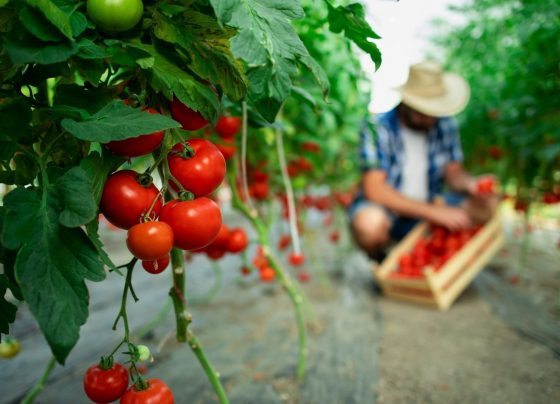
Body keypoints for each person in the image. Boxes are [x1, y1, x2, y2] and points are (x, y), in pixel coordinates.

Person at [349, 61, 498, 260]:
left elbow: (454, 174)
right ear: (407, 102)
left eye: (434, 112)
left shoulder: (445, 125)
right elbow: (374, 190)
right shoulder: (377, 128)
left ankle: (437, 255)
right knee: (369, 224)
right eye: (423, 112)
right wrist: (434, 213)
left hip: (431, 205)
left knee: (489, 205)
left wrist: (471, 184)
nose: (430, 119)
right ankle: (384, 260)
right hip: (390, 212)